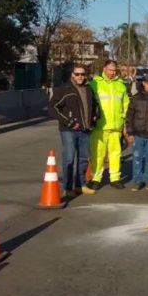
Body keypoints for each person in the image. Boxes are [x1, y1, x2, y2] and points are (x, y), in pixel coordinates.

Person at [48, 64, 99, 199]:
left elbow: (95, 105)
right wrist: (70, 122)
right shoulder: (63, 90)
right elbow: (53, 108)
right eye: (77, 74)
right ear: (72, 75)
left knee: (83, 159)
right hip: (69, 130)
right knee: (69, 158)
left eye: (82, 74)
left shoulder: (88, 89)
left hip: (85, 129)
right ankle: (68, 187)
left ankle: (80, 185)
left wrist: (95, 117)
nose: (80, 77)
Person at [88, 60, 130, 191]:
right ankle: (95, 179)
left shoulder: (121, 86)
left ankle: (115, 178)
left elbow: (125, 105)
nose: (112, 73)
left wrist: (124, 124)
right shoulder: (94, 84)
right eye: (110, 70)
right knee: (97, 154)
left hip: (116, 126)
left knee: (116, 154)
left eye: (114, 70)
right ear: (104, 68)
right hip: (99, 127)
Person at [125, 74, 148, 192]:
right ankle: (137, 181)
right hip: (138, 134)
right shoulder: (135, 98)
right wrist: (130, 133)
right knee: (137, 158)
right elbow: (129, 116)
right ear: (143, 83)